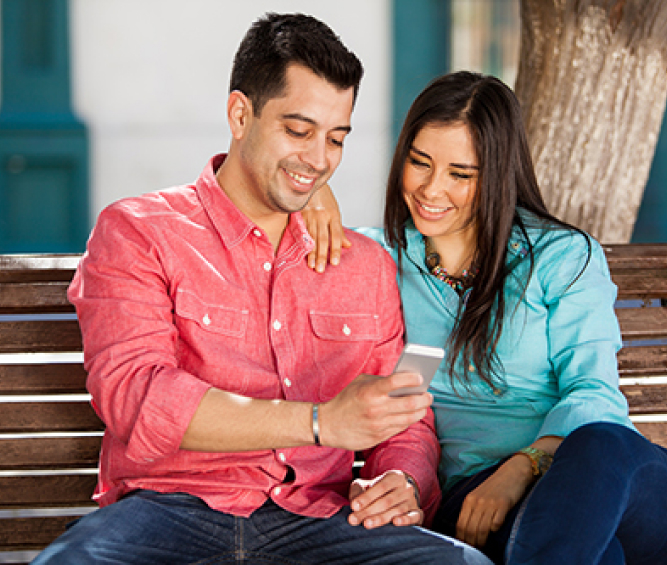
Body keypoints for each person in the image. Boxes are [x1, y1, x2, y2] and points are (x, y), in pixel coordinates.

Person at [32, 14, 492, 565]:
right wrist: (320, 422)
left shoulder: (364, 264)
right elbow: (140, 399)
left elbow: (405, 416)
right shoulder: (139, 232)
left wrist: (403, 478)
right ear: (240, 113)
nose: (319, 160)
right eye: (298, 131)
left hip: (321, 523)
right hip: (167, 513)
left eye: (336, 138)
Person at [302, 71, 667, 564]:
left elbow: (593, 392)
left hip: (593, 475)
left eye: (461, 174)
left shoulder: (560, 258)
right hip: (476, 501)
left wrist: (520, 468)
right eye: (419, 163)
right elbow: (265, 206)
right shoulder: (379, 261)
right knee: (603, 553)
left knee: (602, 444)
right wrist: (315, 192)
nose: (431, 189)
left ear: (496, 175)